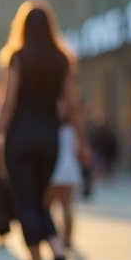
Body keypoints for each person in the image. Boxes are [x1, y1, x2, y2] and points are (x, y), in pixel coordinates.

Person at [0, 0, 90, 260]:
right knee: (41, 200)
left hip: (19, 138)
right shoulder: (62, 59)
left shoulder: (16, 57)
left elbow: (8, 102)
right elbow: (72, 105)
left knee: (26, 202)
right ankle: (59, 256)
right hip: (49, 138)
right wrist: (83, 142)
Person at [47, 102, 83, 249]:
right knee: (66, 205)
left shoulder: (50, 127)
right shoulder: (73, 128)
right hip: (69, 168)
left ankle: (53, 236)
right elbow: (77, 148)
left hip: (55, 168)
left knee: (49, 206)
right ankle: (66, 238)